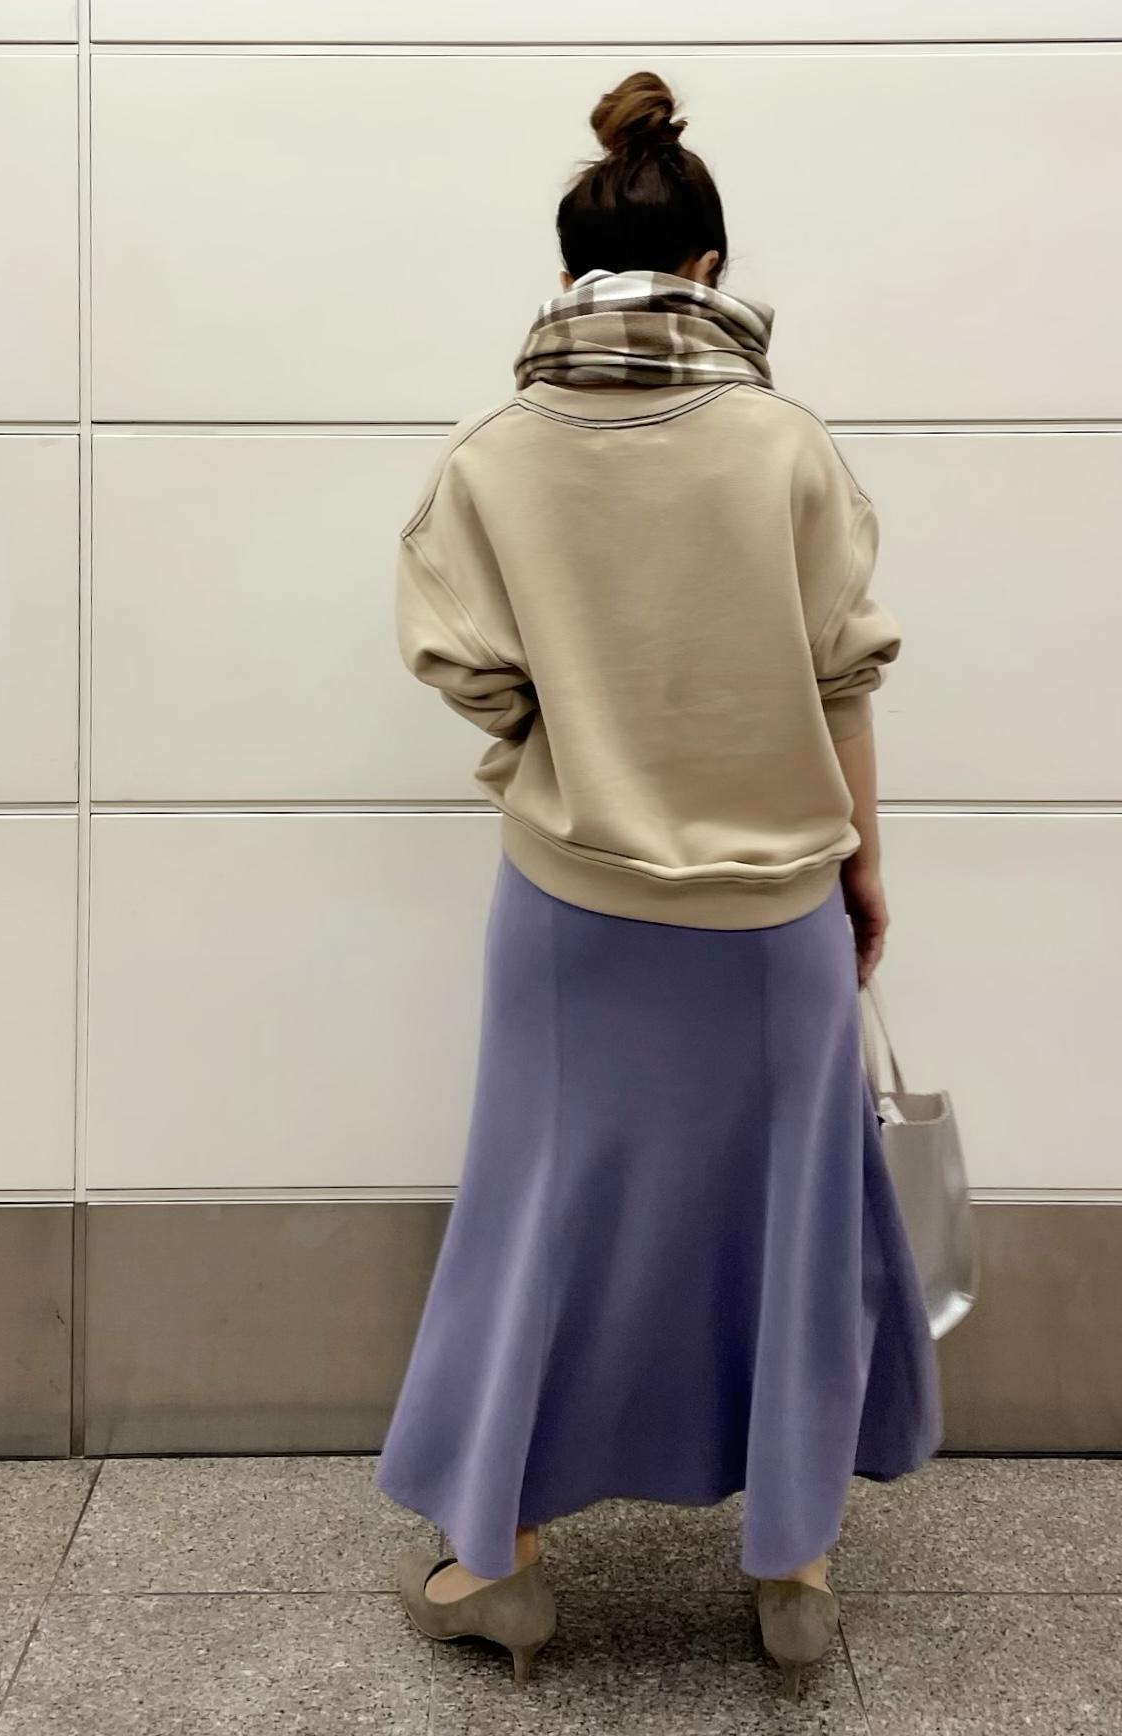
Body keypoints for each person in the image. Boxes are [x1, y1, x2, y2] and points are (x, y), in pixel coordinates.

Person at [374, 68, 942, 1701]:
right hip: (778, 913)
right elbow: (844, 678)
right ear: (711, 270)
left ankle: (495, 1567)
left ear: (566, 276)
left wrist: (567, 753)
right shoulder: (787, 444)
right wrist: (862, 870)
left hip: (571, 915)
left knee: (539, 1215)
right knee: (792, 1220)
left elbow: (465, 668)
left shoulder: (490, 454)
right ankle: (794, 1572)